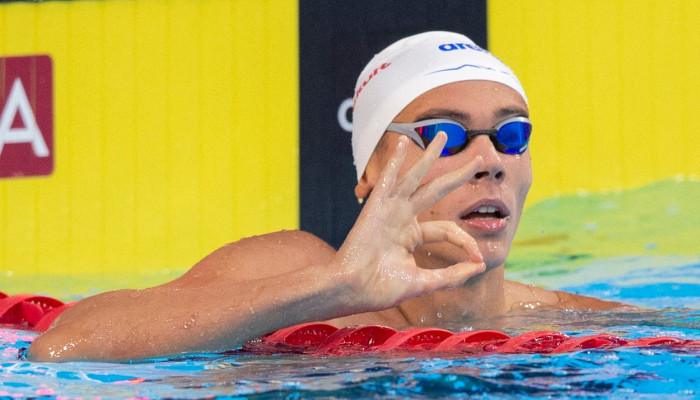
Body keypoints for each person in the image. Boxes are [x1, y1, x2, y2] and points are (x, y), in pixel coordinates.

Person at [27, 31, 624, 362]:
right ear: (370, 173)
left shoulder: (569, 322)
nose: (489, 161)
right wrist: (335, 286)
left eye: (512, 134)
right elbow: (65, 346)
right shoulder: (296, 270)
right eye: (444, 135)